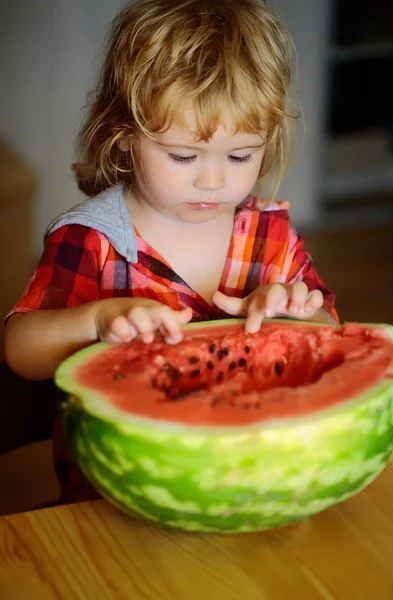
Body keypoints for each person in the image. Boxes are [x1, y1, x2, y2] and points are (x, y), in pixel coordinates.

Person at [4, 0, 339, 502]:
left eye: (240, 155)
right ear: (123, 136)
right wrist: (96, 321)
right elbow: (20, 351)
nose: (212, 179)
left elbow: (334, 336)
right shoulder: (93, 240)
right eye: (183, 155)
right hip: (116, 492)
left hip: (252, 477)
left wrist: (294, 316)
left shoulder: (270, 235)